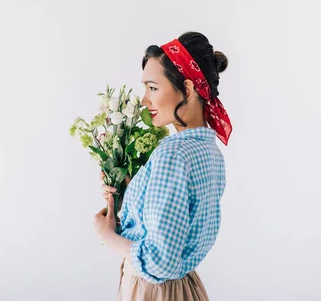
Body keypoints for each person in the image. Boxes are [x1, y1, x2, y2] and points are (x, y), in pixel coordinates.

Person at [94, 31, 232, 300]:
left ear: (189, 89)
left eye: (153, 87)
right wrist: (131, 192)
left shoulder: (173, 153)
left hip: (153, 291)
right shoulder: (209, 151)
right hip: (185, 287)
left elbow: (160, 261)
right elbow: (177, 228)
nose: (145, 100)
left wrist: (107, 234)